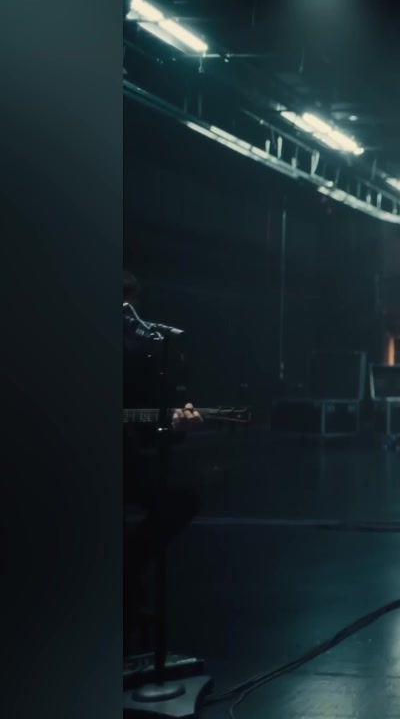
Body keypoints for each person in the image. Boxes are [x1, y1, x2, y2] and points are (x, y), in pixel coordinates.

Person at [124, 271, 202, 656]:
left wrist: (174, 425)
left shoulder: (144, 351)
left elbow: (149, 416)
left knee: (180, 500)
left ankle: (126, 570)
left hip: (124, 462)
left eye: (132, 301)